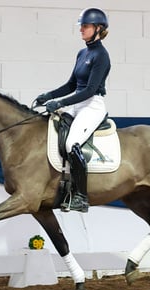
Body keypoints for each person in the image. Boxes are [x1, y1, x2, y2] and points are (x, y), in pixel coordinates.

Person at [36, 8, 111, 213]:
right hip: (77, 104)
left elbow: (89, 90)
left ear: (98, 29)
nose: (81, 29)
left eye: (85, 26)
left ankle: (81, 197)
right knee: (53, 131)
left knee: (71, 143)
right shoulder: (82, 53)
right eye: (81, 26)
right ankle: (63, 186)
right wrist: (48, 96)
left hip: (92, 105)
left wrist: (59, 104)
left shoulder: (101, 56)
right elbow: (71, 85)